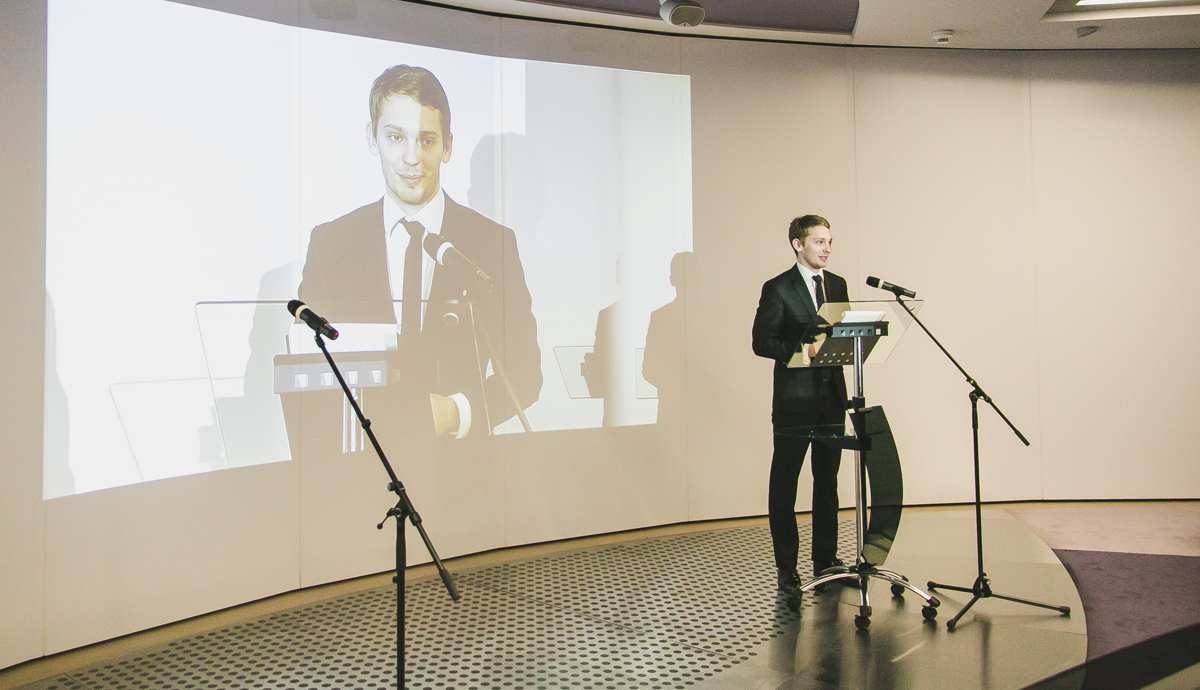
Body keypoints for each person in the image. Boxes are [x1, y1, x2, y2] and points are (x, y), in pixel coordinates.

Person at [298, 65, 542, 439]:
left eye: (426, 141)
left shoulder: (493, 244)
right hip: (361, 463)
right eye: (396, 137)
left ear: (447, 146)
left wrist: (455, 412)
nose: (412, 157)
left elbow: (525, 374)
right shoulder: (330, 244)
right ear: (372, 138)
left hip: (463, 466)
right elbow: (305, 365)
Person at [751, 214, 849, 595]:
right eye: (819, 241)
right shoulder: (778, 288)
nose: (827, 249)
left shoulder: (837, 284)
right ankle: (787, 569)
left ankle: (825, 560)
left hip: (832, 398)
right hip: (794, 402)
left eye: (829, 242)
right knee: (785, 485)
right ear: (798, 244)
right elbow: (762, 342)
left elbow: (842, 334)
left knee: (827, 482)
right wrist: (803, 350)